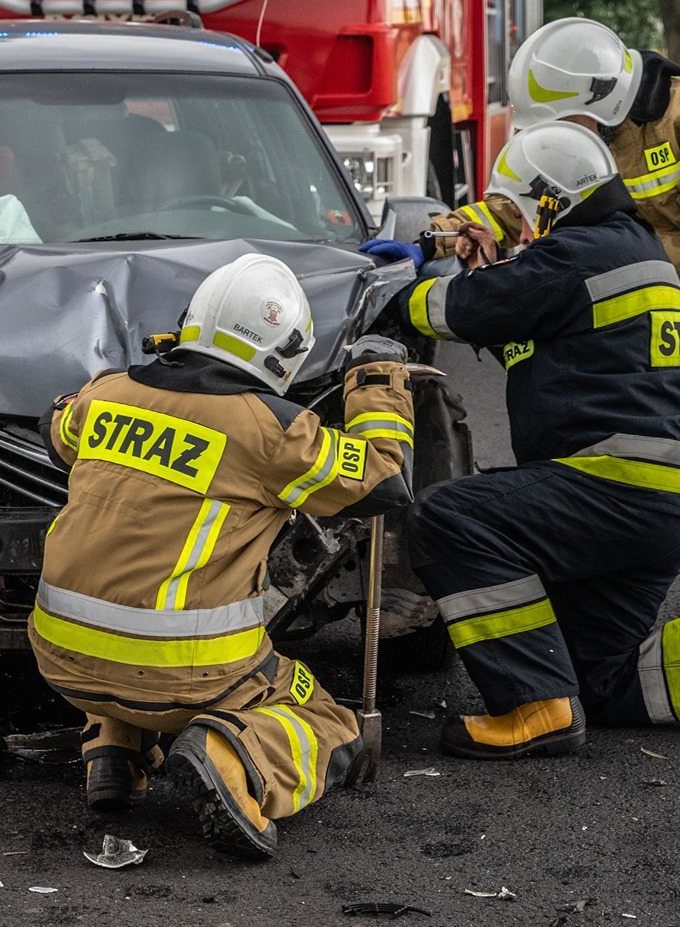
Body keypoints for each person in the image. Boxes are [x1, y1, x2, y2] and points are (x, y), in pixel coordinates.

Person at [364, 122, 680, 759]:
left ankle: (534, 707)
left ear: (552, 201)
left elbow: (457, 311)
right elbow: (543, 342)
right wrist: (489, 278)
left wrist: (395, 288)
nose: (524, 228)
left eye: (528, 213)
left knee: (450, 517)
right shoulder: (633, 247)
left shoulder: (575, 254)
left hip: (612, 487)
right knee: (597, 677)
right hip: (663, 504)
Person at [31, 253, 414, 859]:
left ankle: (112, 748)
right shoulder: (271, 431)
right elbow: (384, 482)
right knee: (322, 715)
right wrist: (376, 383)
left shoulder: (104, 395)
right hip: (186, 673)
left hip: (61, 658)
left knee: (129, 585)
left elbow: (56, 431)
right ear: (284, 353)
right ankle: (234, 758)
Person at [432, 19, 680, 609]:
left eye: (565, 124)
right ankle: (606, 609)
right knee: (616, 456)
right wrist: (439, 237)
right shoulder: (597, 128)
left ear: (597, 99)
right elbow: (530, 199)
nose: (561, 136)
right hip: (672, 316)